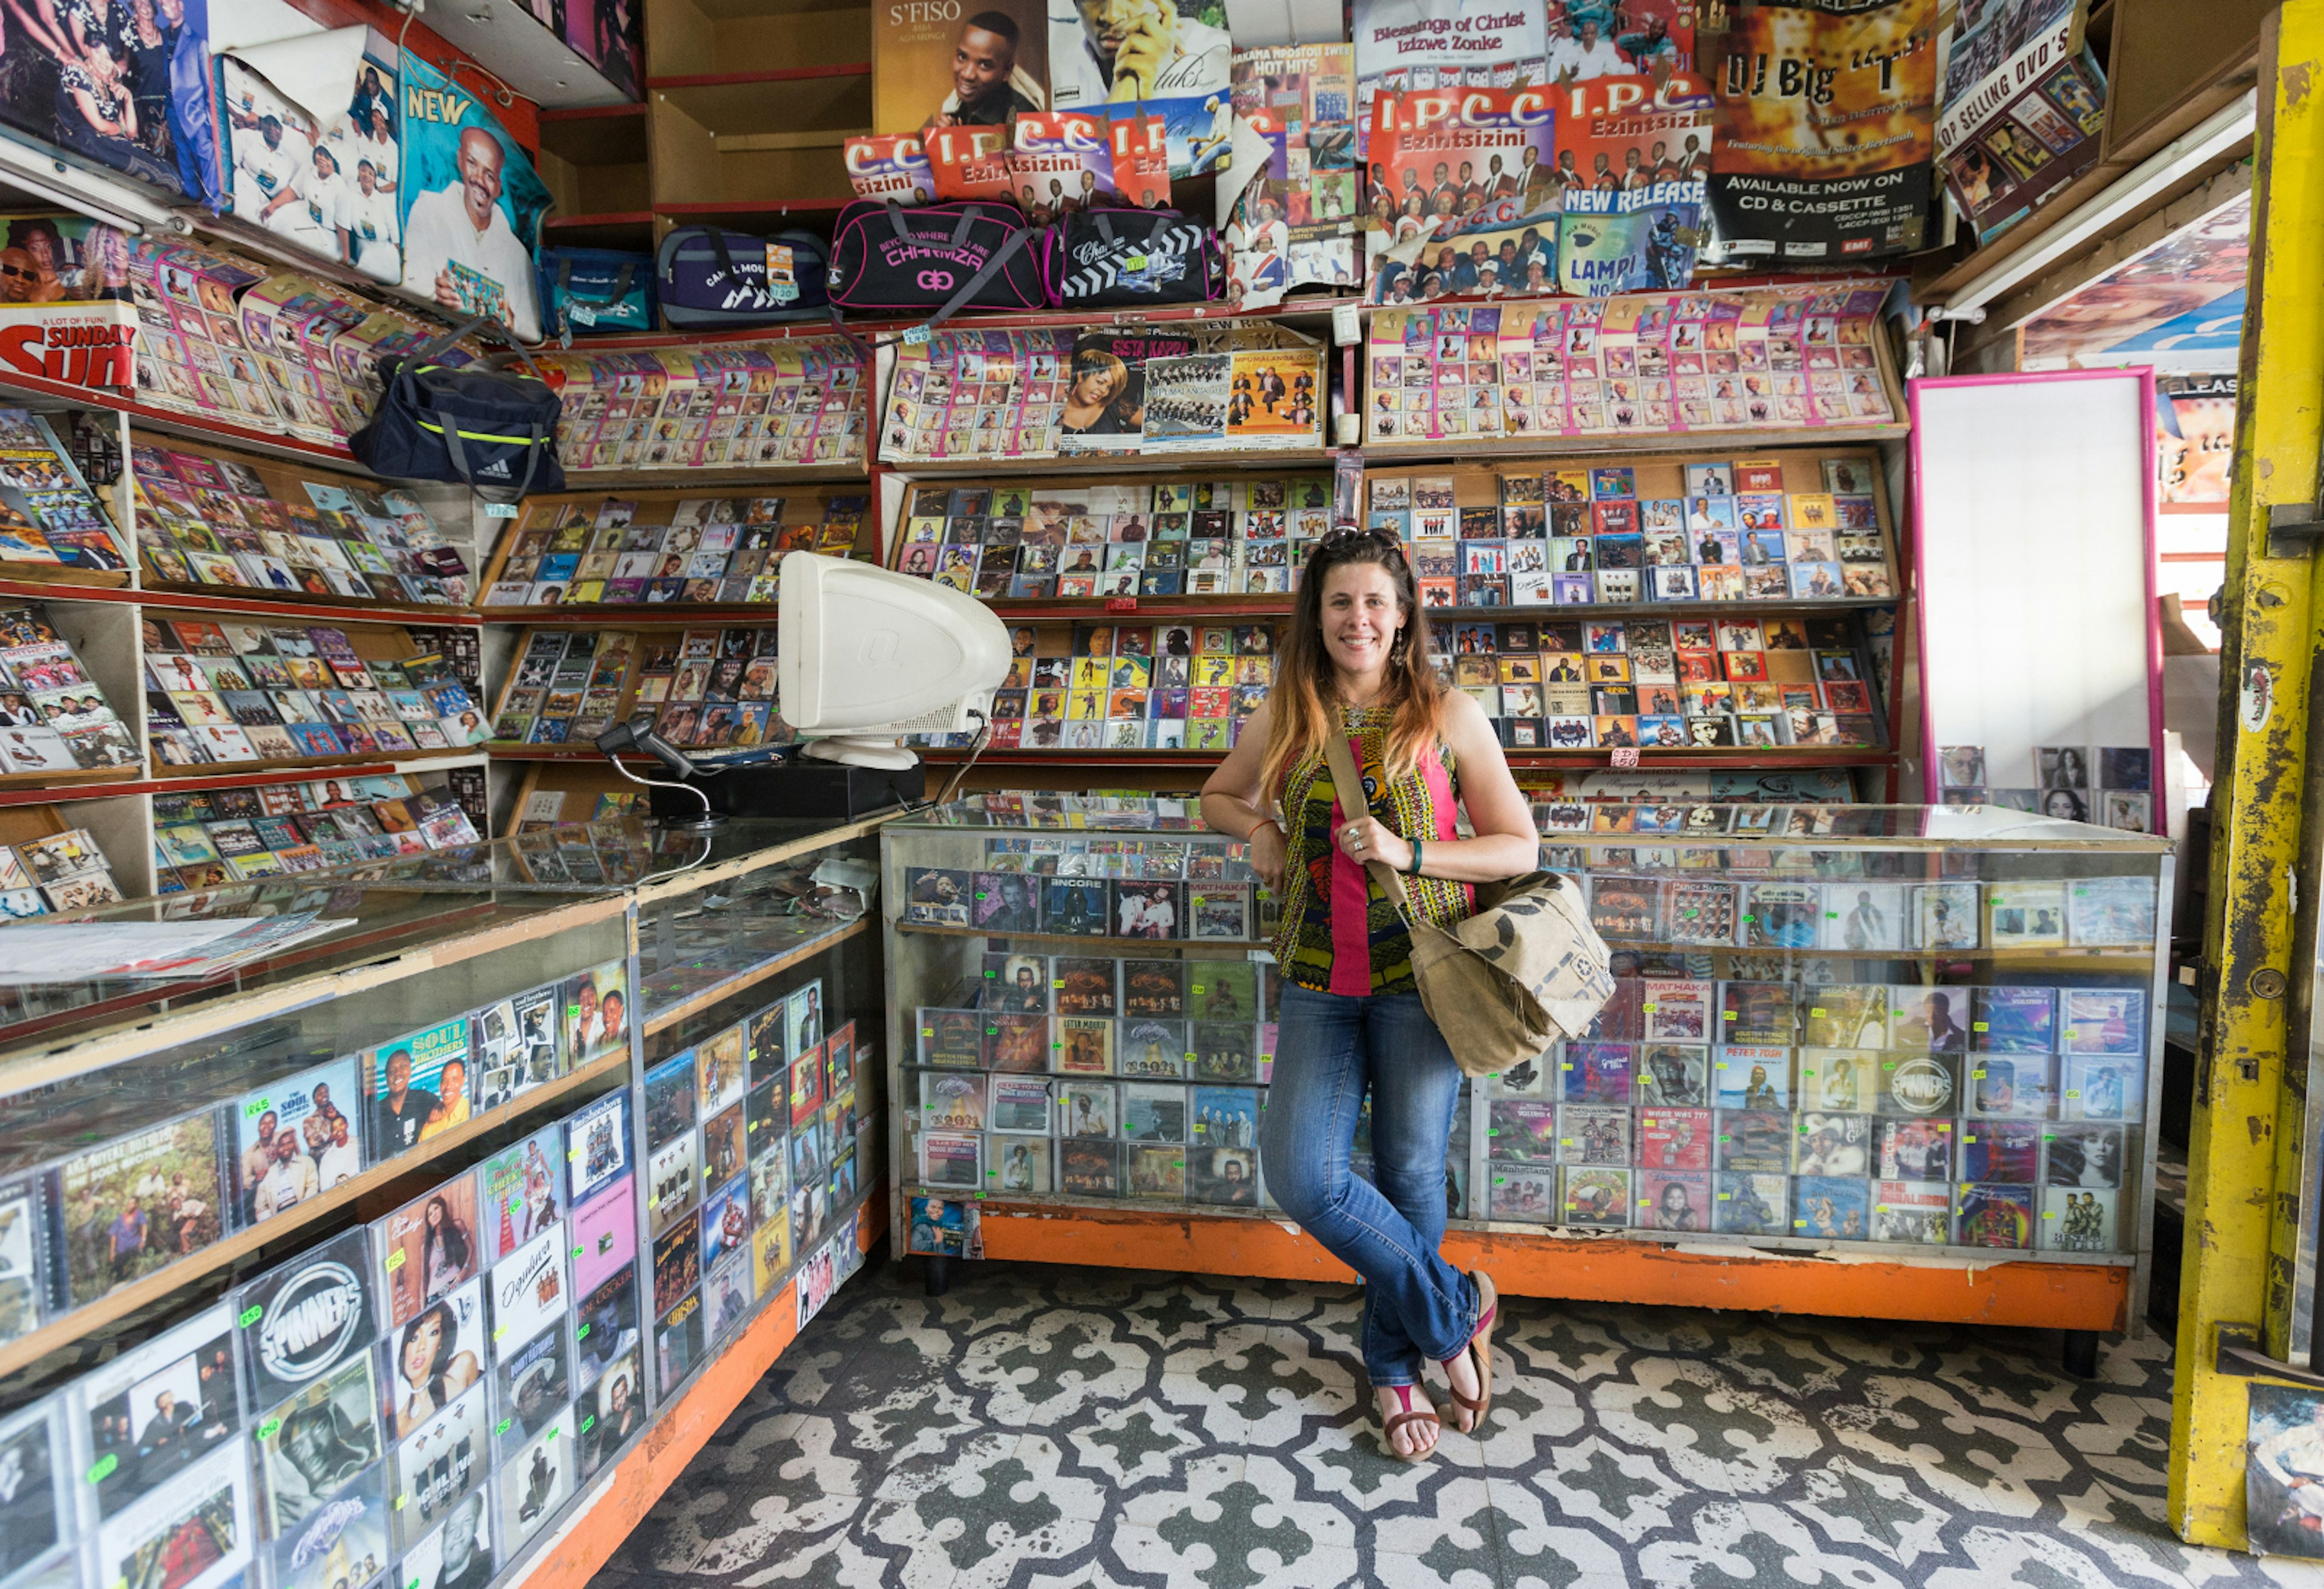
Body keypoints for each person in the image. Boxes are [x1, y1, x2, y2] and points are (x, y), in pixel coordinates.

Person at [1200, 526, 1535, 1463]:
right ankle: (1456, 1310)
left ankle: (1393, 1371)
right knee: (1304, 1173)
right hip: (1317, 975)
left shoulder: (1448, 715)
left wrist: (1411, 851)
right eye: (1341, 601)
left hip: (1423, 981)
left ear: (1404, 615)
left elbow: (1519, 846)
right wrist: (1257, 825)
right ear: (1317, 613)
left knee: (1411, 1175)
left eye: (1376, 602)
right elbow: (1215, 797)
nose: (1359, 618)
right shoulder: (1287, 716)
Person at [402, 125, 540, 340]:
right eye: (471, 164)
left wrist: (512, 324)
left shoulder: (518, 255)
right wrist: (434, 293)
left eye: (489, 174)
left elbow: (533, 333)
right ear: (460, 161)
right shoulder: (428, 210)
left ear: (498, 186)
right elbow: (407, 284)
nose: (478, 179)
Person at [393, 1297, 482, 1437]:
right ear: (405, 1345)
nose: (421, 1346)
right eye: (414, 1338)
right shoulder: (398, 1421)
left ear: (441, 1342)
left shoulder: (460, 1370)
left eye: (433, 1333)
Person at [421, 1193, 473, 1299]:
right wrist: (423, 1313)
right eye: (430, 1214)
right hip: (434, 1296)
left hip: (454, 1285)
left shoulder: (457, 1226)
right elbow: (424, 1281)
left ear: (443, 1209)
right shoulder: (426, 1247)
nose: (434, 1214)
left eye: (436, 1209)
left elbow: (471, 1248)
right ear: (429, 1221)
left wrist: (464, 1272)